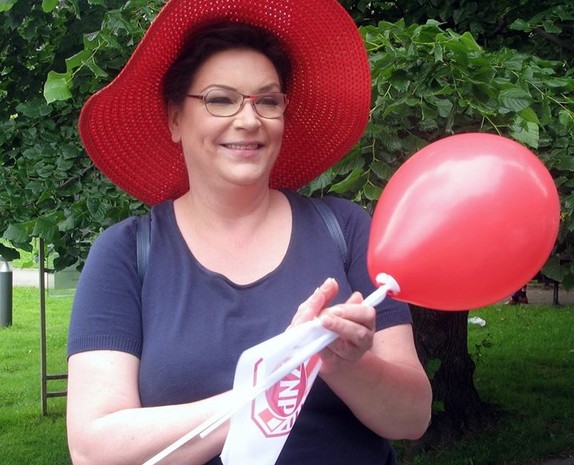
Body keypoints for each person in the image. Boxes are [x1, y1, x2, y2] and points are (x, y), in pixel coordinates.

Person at [66, 1, 432, 465]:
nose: (249, 119)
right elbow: (94, 449)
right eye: (220, 99)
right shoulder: (126, 253)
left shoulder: (347, 229)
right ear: (175, 119)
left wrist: (343, 364)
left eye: (268, 101)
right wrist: (280, 373)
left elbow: (411, 418)